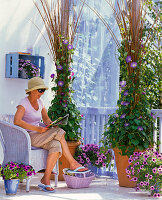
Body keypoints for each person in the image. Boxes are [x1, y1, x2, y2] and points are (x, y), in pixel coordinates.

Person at [14, 77, 88, 192]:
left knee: (56, 145)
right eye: (40, 90)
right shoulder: (23, 103)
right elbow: (17, 121)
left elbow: (46, 118)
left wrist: (51, 124)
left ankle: (46, 179)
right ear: (32, 90)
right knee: (60, 132)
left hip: (40, 135)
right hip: (28, 137)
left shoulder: (40, 102)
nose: (42, 93)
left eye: (43, 90)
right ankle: (73, 163)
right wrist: (37, 128)